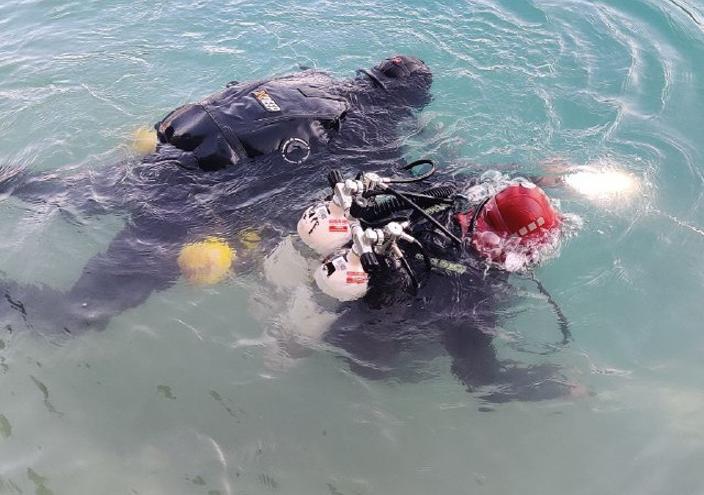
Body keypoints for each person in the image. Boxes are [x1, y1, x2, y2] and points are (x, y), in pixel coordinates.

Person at [0, 55, 433, 335]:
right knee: (76, 315)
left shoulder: (313, 76)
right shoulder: (373, 137)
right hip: (193, 204)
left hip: (169, 159)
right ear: (407, 104)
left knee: (61, 191)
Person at [294, 170, 581, 403]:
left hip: (334, 267)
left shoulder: (444, 197)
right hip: (351, 342)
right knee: (383, 367)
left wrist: (536, 180)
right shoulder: (469, 298)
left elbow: (505, 201)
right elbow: (483, 381)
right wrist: (556, 386)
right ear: (513, 246)